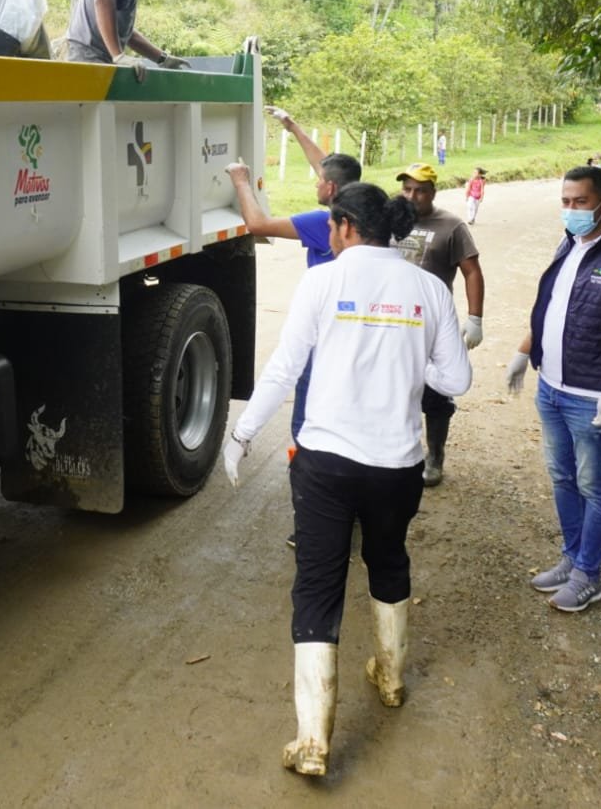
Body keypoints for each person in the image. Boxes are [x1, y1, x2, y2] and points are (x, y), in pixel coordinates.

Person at [220, 183, 472, 778]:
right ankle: (390, 677)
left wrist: (241, 434)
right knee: (388, 559)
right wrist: (411, 361)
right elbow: (455, 381)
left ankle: (313, 740)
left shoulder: (324, 281)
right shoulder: (428, 288)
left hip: (325, 463)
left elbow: (285, 368)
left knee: (317, 582)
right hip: (397, 465)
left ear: (342, 226)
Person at [505, 165, 601, 612]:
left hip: (593, 396)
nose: (570, 211)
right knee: (562, 476)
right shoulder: (569, 242)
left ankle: (590, 575)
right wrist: (523, 352)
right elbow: (551, 306)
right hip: (551, 386)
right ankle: (572, 559)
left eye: (581, 203)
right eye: (566, 202)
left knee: (595, 485)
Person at [227, 109, 362, 449]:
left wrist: (241, 180)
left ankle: (307, 464)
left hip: (325, 327)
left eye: (319, 180)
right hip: (356, 322)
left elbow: (258, 224)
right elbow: (324, 165)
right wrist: (292, 126)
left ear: (330, 188)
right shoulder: (365, 206)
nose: (315, 180)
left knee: (307, 412)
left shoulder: (323, 223)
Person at [394, 163, 485, 487]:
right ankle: (397, 452)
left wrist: (475, 318)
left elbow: (471, 271)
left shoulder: (451, 226)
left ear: (433, 192)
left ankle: (434, 455)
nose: (412, 195)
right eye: (407, 189)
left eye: (419, 190)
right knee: (393, 387)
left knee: (435, 394)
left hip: (431, 325)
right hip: (391, 320)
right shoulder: (389, 219)